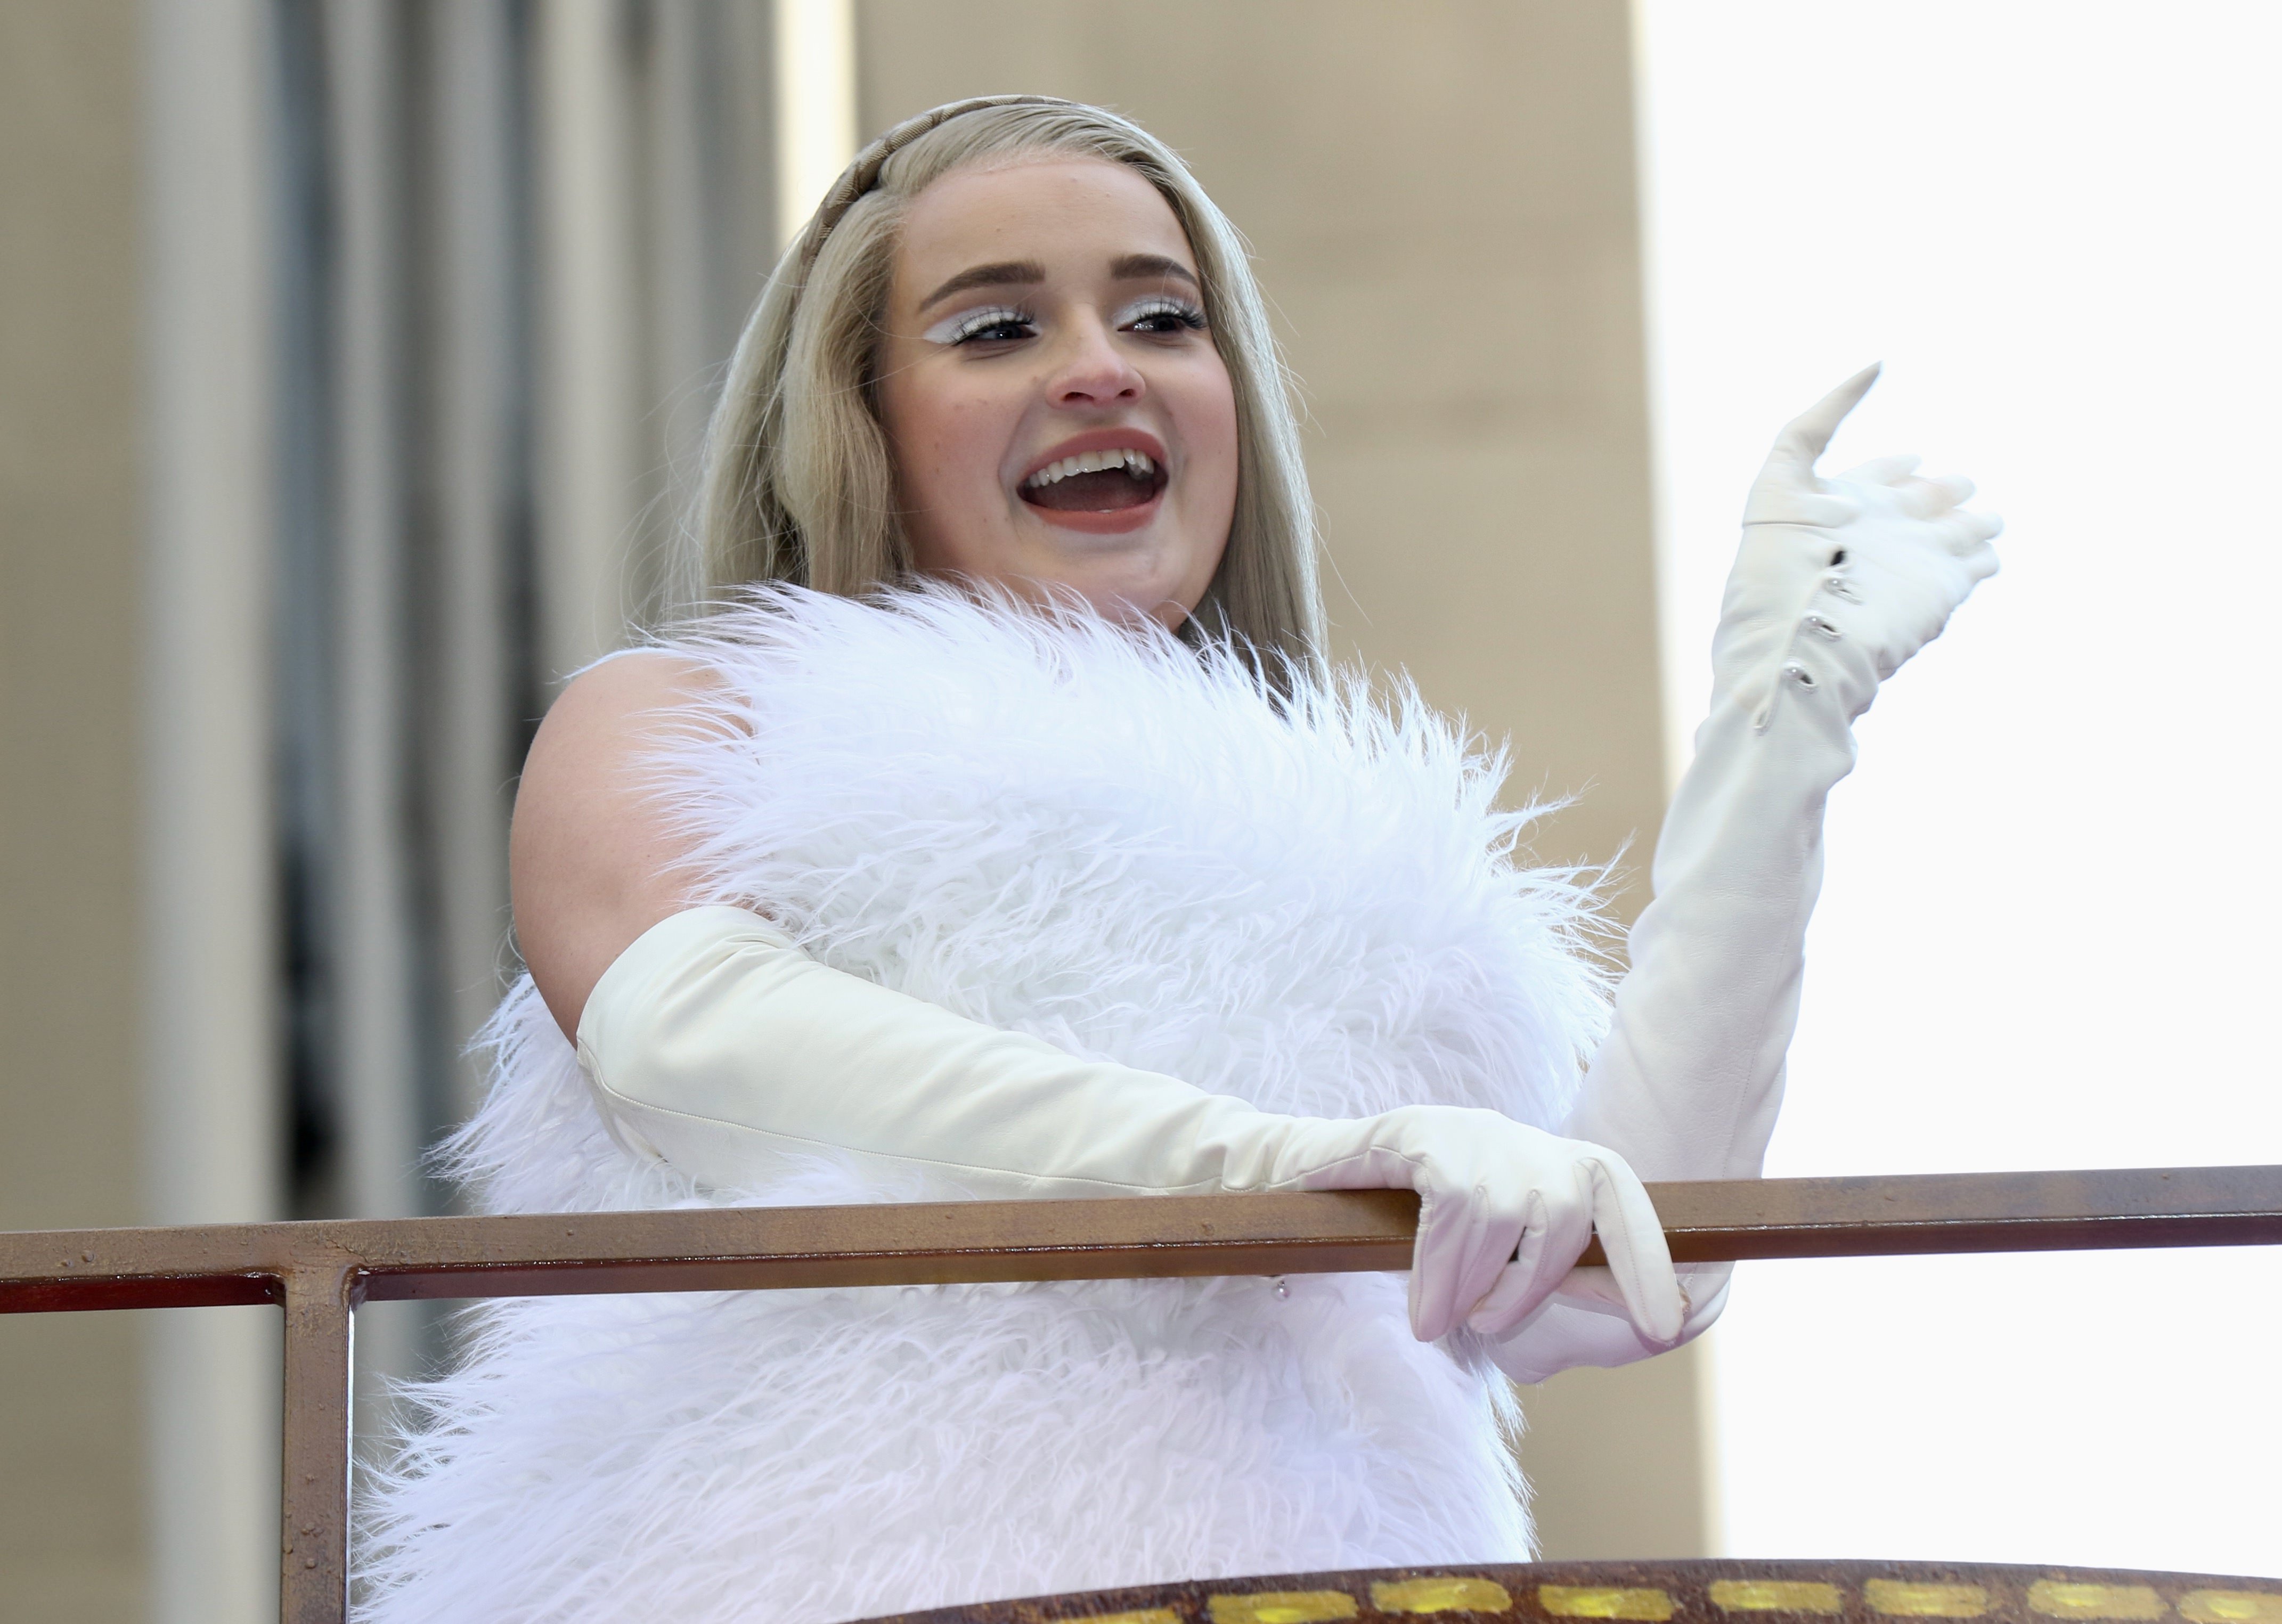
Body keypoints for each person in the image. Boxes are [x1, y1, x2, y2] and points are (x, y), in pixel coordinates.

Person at [357, 97, 1999, 1624]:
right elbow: (695, 1040)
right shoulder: (700, 715)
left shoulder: (1388, 889)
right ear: (857, 421)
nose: (1099, 368)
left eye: (1160, 317)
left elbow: (1614, 1281)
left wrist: (1781, 723)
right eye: (995, 327)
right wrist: (1297, 1163)